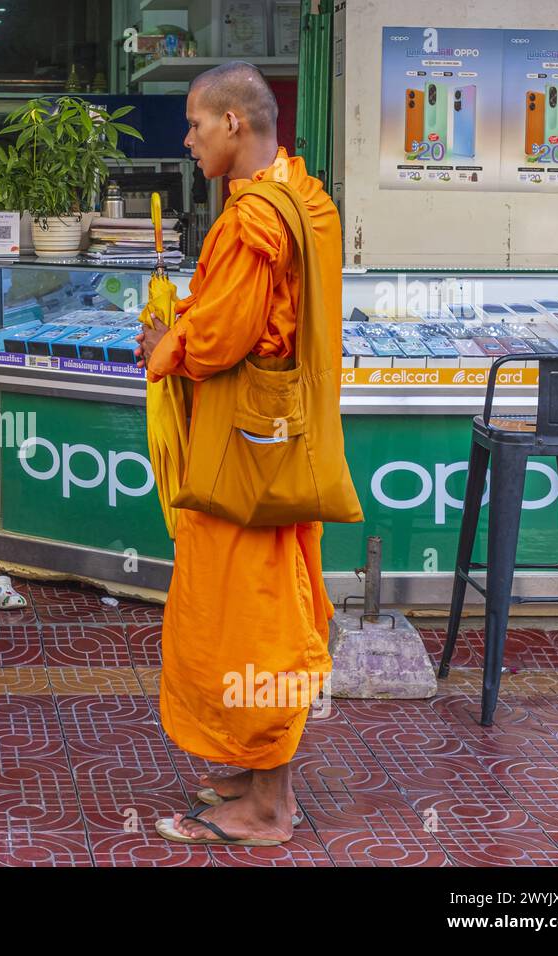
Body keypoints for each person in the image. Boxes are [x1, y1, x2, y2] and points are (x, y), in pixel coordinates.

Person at [136, 62, 344, 845]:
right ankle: (256, 772)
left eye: (194, 124)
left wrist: (166, 343)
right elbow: (259, 318)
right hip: (282, 443)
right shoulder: (305, 197)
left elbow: (222, 339)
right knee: (269, 602)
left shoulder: (256, 217)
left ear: (234, 124)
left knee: (254, 618)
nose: (187, 140)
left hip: (249, 462)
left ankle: (269, 806)